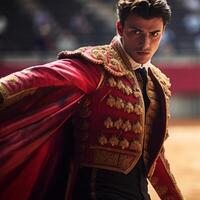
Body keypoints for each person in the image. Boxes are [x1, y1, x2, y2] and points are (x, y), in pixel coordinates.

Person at [0, 0, 184, 199]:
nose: (145, 44)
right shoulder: (97, 66)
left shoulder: (157, 82)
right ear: (120, 28)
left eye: (154, 34)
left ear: (163, 32)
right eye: (136, 32)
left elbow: (153, 156)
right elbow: (42, 77)